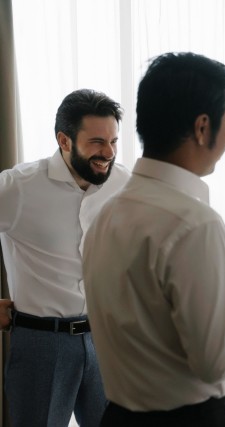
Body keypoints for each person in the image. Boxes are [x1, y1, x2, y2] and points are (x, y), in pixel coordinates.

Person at [83, 52, 225, 427]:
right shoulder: (195, 225)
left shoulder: (105, 215)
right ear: (202, 127)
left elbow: (142, 321)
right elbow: (218, 361)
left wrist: (221, 314)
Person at [0, 89, 130, 426]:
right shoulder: (18, 187)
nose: (109, 152)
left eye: (114, 141)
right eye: (97, 142)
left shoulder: (123, 183)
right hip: (41, 345)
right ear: (64, 140)